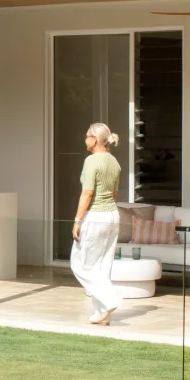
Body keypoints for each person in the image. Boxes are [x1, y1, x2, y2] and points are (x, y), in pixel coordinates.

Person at [70, 122, 123, 325]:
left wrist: (77, 221)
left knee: (80, 263)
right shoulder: (115, 162)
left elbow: (87, 192)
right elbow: (115, 194)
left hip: (96, 216)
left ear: (94, 139)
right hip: (112, 216)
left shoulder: (92, 161)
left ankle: (110, 300)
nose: (85, 139)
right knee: (103, 266)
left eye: (86, 136)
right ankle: (102, 313)